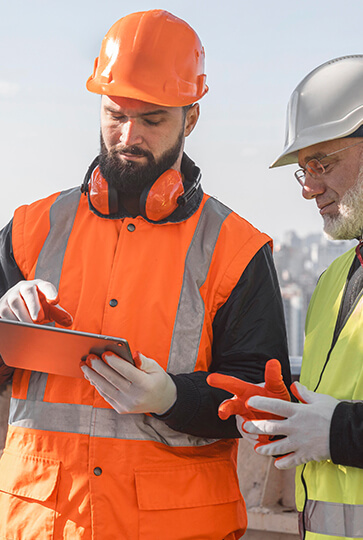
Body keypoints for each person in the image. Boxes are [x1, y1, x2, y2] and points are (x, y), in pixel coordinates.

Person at [0, 10, 291, 540]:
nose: (128, 136)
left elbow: (262, 399)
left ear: (192, 117)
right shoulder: (30, 229)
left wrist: (172, 399)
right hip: (44, 523)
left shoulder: (236, 248)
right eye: (114, 115)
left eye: (152, 120)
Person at [228, 56, 363, 540]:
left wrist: (336, 431)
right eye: (303, 169)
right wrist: (286, 416)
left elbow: (340, 424)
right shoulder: (333, 281)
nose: (308, 188)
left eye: (322, 163)